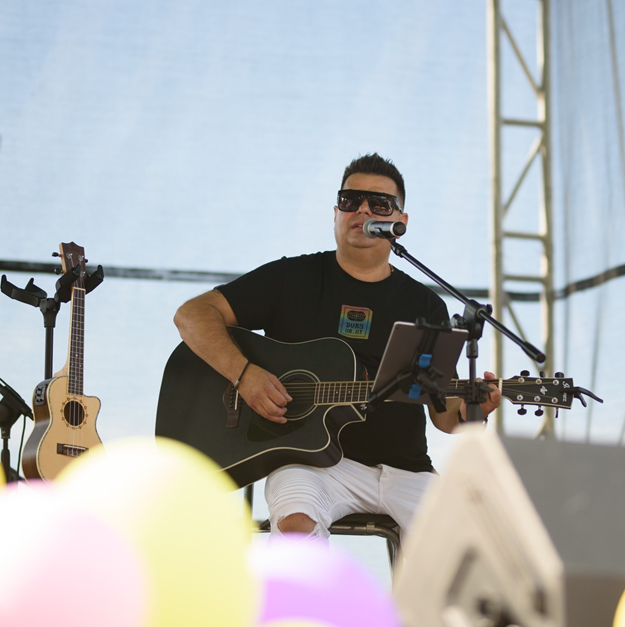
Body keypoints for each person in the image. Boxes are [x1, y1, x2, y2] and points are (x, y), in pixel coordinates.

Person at [173, 152, 501, 540]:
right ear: (336, 213)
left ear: (400, 223)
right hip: (310, 465)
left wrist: (471, 411)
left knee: (471, 547)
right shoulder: (291, 278)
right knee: (297, 527)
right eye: (350, 200)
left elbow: (442, 415)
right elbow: (192, 315)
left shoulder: (426, 305)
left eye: (379, 204)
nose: (362, 210)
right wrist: (244, 375)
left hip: (407, 471)